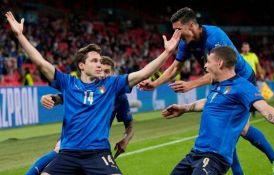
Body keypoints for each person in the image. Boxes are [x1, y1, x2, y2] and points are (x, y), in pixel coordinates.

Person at [5, 11, 181, 175]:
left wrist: (167, 53)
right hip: (68, 154)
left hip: (98, 154)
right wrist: (20, 36)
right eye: (94, 60)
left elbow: (143, 73)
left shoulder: (111, 84)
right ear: (82, 65)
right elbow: (41, 63)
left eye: (100, 60)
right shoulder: (67, 83)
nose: (99, 64)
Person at [138, 7, 274, 175]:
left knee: (232, 127)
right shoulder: (186, 42)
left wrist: (191, 85)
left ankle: (272, 159)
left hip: (240, 79)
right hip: (221, 80)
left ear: (191, 25)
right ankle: (270, 159)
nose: (175, 35)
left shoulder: (214, 37)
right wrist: (155, 84)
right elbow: (175, 67)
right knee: (223, 127)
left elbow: (222, 71)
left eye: (178, 30)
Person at [162, 46, 274, 175]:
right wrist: (185, 108)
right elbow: (209, 103)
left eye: (208, 62)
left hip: (214, 158)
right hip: (195, 153)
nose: (205, 66)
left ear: (220, 63)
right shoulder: (218, 85)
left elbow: (266, 110)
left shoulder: (242, 86)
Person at [25, 56, 135, 175]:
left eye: (107, 71)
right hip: (73, 139)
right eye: (101, 70)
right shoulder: (91, 90)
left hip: (95, 145)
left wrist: (125, 140)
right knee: (57, 150)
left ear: (114, 73)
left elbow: (129, 124)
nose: (103, 75)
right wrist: (50, 98)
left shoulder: (119, 97)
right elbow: (61, 98)